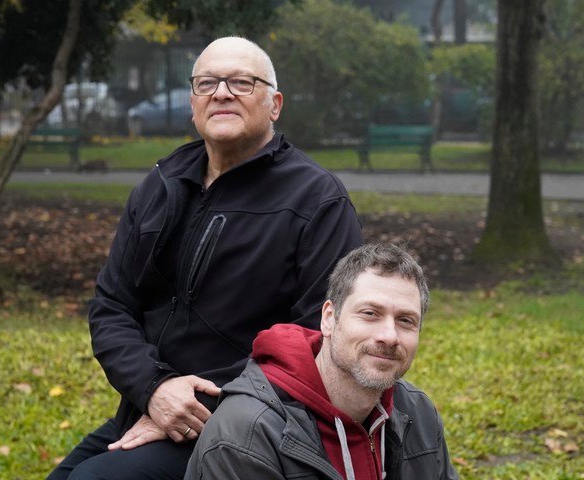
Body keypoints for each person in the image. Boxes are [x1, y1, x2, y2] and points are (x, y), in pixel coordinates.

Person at [48, 36, 362, 480]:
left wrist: (192, 403)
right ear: (193, 102)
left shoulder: (317, 200)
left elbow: (318, 336)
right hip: (150, 401)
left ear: (275, 104)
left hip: (252, 423)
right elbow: (111, 307)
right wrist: (155, 389)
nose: (221, 92)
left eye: (241, 82)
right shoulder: (161, 184)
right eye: (207, 83)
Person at [186, 243, 459, 480]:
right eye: (370, 313)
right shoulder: (247, 433)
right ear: (329, 318)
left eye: (405, 320)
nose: (389, 336)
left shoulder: (418, 412)